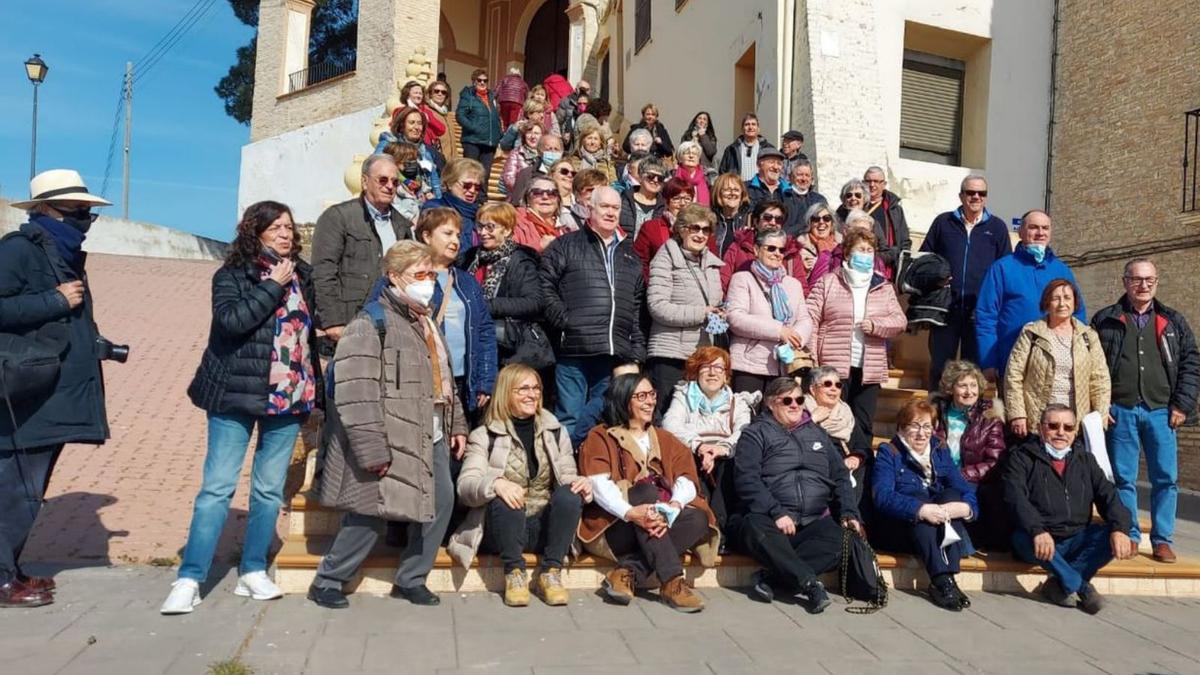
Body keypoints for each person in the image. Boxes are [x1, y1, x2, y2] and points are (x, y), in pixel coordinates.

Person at [161, 201, 323, 614]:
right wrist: (272, 285)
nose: (286, 234)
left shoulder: (303, 276)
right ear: (256, 231)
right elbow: (231, 322)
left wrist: (315, 390)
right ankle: (190, 577)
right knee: (217, 488)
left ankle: (253, 569)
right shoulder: (233, 274)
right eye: (276, 227)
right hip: (236, 394)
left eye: (289, 227)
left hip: (288, 397)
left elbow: (307, 339)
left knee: (269, 490)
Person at [307, 241, 466, 609]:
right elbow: (354, 392)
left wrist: (457, 423)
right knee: (369, 513)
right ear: (394, 277)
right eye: (420, 275)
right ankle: (329, 580)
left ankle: (412, 577)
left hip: (432, 431)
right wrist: (371, 447)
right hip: (389, 433)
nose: (428, 282)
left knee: (441, 500)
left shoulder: (425, 320)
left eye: (431, 274)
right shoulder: (370, 323)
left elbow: (444, 379)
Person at [0, 169, 115, 608]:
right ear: (45, 209)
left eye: (88, 212)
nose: (84, 218)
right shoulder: (19, 251)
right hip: (24, 396)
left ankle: (9, 569)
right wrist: (53, 301)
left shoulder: (59, 253)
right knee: (17, 490)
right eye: (76, 210)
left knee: (26, 490)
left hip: (49, 392)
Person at [448, 364, 591, 607]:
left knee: (570, 495)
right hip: (502, 529)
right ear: (506, 393)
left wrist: (580, 483)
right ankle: (514, 573)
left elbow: (567, 474)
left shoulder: (556, 431)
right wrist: (496, 484)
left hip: (542, 527)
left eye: (536, 388)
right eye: (523, 389)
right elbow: (466, 487)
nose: (532, 394)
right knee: (506, 496)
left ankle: (551, 572)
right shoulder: (484, 435)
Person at [577, 374, 719, 612]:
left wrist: (673, 507)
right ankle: (672, 582)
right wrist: (632, 513)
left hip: (658, 523)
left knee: (698, 518)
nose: (650, 401)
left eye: (652, 394)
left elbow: (687, 477)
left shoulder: (665, 438)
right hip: (616, 526)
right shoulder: (600, 436)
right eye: (641, 396)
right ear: (623, 400)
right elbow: (599, 485)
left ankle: (628, 572)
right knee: (644, 490)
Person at [1093, 258, 1200, 563]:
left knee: (1166, 478)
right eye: (1137, 280)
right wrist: (1101, 405)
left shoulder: (1174, 322)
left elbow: (1191, 364)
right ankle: (1130, 534)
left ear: (1156, 282)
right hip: (1120, 410)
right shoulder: (1106, 320)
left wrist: (1182, 404)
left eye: (1149, 280)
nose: (1143, 286)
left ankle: (1162, 539)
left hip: (1162, 412)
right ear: (1125, 281)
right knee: (1123, 478)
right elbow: (1092, 366)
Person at [730, 377, 862, 612]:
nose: (795, 405)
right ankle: (810, 583)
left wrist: (849, 513)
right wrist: (777, 512)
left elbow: (841, 476)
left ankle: (772, 578)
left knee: (845, 539)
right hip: (771, 519)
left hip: (812, 520)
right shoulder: (755, 433)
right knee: (754, 525)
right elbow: (747, 480)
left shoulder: (817, 434)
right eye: (787, 400)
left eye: (799, 399)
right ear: (771, 403)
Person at [1004, 404, 1135, 614]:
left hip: (1075, 538)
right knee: (1022, 537)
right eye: (1053, 426)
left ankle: (1059, 585)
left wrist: (1120, 528)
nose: (1061, 433)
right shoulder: (1021, 457)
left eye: (1068, 427)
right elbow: (1015, 498)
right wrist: (1037, 529)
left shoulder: (1086, 460)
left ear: (1075, 432)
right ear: (1040, 427)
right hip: (1037, 538)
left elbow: (1109, 496)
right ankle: (1082, 586)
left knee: (1110, 535)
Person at [540, 186, 646, 443]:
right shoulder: (565, 245)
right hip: (575, 349)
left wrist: (636, 349)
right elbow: (544, 287)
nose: (611, 213)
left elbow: (635, 305)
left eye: (616, 208)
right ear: (590, 208)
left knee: (603, 419)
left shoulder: (629, 254)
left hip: (612, 353)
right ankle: (565, 475)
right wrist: (566, 322)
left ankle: (592, 471)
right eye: (605, 207)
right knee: (570, 417)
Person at [806, 228, 907, 456]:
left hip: (868, 368)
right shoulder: (829, 282)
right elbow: (810, 317)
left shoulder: (883, 286)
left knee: (862, 424)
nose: (866, 254)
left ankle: (859, 472)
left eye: (870, 250)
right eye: (861, 249)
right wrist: (812, 354)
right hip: (834, 366)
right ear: (848, 254)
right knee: (833, 421)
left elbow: (899, 321)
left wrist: (876, 325)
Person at [872, 399, 977, 611]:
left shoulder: (939, 449)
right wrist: (920, 510)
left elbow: (964, 488)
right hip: (901, 528)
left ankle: (947, 579)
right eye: (914, 426)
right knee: (918, 501)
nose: (921, 433)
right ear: (901, 427)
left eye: (927, 426)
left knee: (951, 493)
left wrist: (966, 508)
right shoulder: (889, 452)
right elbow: (882, 496)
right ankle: (942, 580)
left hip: (939, 528)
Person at [311, 154, 414, 348]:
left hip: (392, 323)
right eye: (382, 180)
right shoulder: (338, 217)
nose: (390, 186)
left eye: (395, 181)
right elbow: (323, 270)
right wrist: (332, 321)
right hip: (350, 322)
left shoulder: (402, 224)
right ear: (365, 182)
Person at [920, 175, 1012, 387]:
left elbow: (1004, 270)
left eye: (981, 193)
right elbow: (925, 259)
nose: (976, 197)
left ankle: (971, 419)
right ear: (961, 195)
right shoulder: (943, 222)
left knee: (973, 372)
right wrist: (935, 279)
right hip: (945, 310)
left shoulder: (997, 227)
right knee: (940, 370)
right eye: (971, 192)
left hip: (979, 313)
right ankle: (937, 416)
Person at [976, 209, 1086, 379]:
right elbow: (986, 318)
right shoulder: (1002, 268)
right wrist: (989, 362)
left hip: (1055, 365)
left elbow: (1078, 315)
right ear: (1021, 232)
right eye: (1033, 227)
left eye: (1045, 228)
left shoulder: (1062, 270)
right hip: (1013, 364)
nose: (1040, 233)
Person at [415, 208, 499, 423]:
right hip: (425, 381)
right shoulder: (408, 277)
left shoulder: (467, 281)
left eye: (458, 235)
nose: (456, 241)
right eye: (447, 233)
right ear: (426, 235)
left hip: (464, 381)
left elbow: (484, 332)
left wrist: (485, 381)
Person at [662, 347, 758, 530]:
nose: (713, 372)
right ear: (696, 371)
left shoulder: (738, 401)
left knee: (728, 465)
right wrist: (700, 446)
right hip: (692, 453)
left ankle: (718, 528)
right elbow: (670, 424)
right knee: (693, 466)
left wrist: (722, 449)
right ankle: (703, 528)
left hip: (726, 456)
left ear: (726, 375)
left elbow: (744, 432)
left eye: (719, 368)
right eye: (706, 367)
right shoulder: (682, 395)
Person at [645, 205, 726, 415]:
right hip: (670, 354)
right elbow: (657, 306)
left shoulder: (712, 263)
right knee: (666, 416)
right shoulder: (666, 258)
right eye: (694, 228)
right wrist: (702, 313)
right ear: (681, 229)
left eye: (706, 230)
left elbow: (714, 302)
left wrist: (719, 313)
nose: (700, 234)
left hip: (701, 355)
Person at [1004, 278, 1109, 439]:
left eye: (1067, 298)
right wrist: (1017, 414)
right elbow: (1013, 375)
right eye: (1056, 298)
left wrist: (1101, 416)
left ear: (1075, 303)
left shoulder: (1088, 336)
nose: (1062, 303)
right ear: (1047, 303)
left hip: (1075, 423)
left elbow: (1100, 380)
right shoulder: (1031, 333)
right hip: (1038, 419)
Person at [459, 202, 551, 370]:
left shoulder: (521, 260)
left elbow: (534, 302)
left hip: (509, 346)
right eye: (480, 226)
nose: (483, 233)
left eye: (490, 227)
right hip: (474, 342)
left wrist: (487, 305)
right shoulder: (469, 258)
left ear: (507, 230)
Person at [931, 360, 1009, 550]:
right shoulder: (935, 412)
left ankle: (965, 545)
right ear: (950, 388)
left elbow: (995, 460)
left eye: (973, 386)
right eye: (962, 385)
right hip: (938, 477)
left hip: (973, 481)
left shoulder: (990, 415)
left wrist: (963, 475)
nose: (969, 392)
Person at [726, 228, 812, 394]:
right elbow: (735, 318)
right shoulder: (742, 279)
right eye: (771, 248)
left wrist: (795, 338)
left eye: (781, 249)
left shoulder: (793, 284)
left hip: (784, 364)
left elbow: (804, 319)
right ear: (757, 250)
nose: (777, 253)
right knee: (747, 418)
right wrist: (779, 331)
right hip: (749, 364)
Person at [803, 365, 865, 501]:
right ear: (813, 389)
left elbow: (862, 445)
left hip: (845, 463)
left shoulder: (846, 414)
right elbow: (792, 439)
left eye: (838, 385)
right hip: (814, 463)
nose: (834, 389)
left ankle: (851, 517)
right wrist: (812, 420)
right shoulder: (801, 411)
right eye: (827, 384)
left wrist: (856, 457)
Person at [720, 200, 802, 290]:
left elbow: (801, 288)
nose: (773, 223)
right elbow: (724, 283)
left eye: (778, 219)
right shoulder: (738, 247)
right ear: (755, 221)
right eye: (767, 218)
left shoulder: (790, 251)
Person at [632, 177, 697, 278]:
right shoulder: (651, 227)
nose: (683, 203)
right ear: (666, 201)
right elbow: (639, 262)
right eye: (676, 199)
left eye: (687, 199)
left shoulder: (701, 228)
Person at [375, 106, 444, 198]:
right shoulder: (388, 144)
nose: (416, 127)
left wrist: (438, 200)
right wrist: (403, 182)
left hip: (420, 197)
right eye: (412, 123)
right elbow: (377, 167)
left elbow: (434, 179)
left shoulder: (425, 151)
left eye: (419, 123)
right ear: (402, 126)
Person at [423, 157, 486, 253]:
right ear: (450, 183)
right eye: (467, 186)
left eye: (477, 187)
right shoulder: (435, 208)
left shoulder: (479, 215)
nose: (473, 191)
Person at [860, 166, 910, 279]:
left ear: (884, 184)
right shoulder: (854, 203)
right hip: (859, 263)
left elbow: (904, 241)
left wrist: (899, 263)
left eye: (876, 181)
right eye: (868, 181)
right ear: (863, 183)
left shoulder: (894, 209)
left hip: (888, 267)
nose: (872, 185)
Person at [455, 68, 502, 187]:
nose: (482, 83)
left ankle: (482, 199)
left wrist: (499, 134)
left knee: (485, 174)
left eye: (485, 81)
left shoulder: (492, 97)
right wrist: (474, 128)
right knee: (470, 172)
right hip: (472, 141)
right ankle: (467, 198)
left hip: (489, 142)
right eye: (479, 80)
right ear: (474, 81)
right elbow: (460, 115)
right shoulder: (468, 95)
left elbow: (495, 116)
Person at [745, 148, 801, 236]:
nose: (775, 167)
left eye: (779, 164)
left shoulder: (790, 193)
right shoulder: (746, 188)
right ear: (759, 165)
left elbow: (798, 222)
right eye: (771, 162)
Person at [380, 141, 434, 222]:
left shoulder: (420, 181)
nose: (412, 164)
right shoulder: (390, 186)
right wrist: (412, 218)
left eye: (414, 160)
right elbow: (391, 210)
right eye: (408, 161)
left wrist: (431, 200)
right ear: (394, 162)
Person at [514, 175, 569, 253]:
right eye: (537, 192)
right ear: (527, 199)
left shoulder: (566, 228)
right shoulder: (514, 222)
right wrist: (539, 246)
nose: (545, 197)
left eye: (552, 193)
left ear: (558, 200)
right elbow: (503, 256)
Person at [508, 133, 565, 206]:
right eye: (549, 149)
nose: (553, 152)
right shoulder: (526, 174)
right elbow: (517, 202)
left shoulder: (568, 175)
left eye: (556, 149)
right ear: (540, 151)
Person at [619, 156, 667, 238]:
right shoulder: (622, 200)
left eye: (660, 178)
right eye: (651, 176)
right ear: (640, 177)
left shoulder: (665, 207)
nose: (655, 180)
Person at [718, 113, 775, 180]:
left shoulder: (768, 149)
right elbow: (723, 173)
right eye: (747, 124)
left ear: (758, 129)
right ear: (742, 129)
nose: (750, 127)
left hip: (761, 189)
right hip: (738, 188)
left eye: (753, 124)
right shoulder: (731, 150)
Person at [796, 202, 841, 286]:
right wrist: (804, 271)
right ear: (810, 223)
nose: (821, 222)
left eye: (826, 218)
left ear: (832, 223)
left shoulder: (842, 245)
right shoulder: (799, 248)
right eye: (816, 219)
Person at [711, 173, 752, 257]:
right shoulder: (711, 221)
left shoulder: (750, 220)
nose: (732, 193)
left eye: (736, 190)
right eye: (727, 190)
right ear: (718, 193)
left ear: (742, 194)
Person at [500, 121, 543, 196]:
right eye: (529, 133)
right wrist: (529, 191)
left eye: (536, 133)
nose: (533, 136)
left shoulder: (545, 155)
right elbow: (509, 179)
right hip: (520, 197)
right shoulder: (516, 153)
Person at [572, 117, 618, 184]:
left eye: (596, 139)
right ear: (583, 141)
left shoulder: (607, 163)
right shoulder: (573, 160)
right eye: (589, 138)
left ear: (600, 144)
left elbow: (614, 184)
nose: (592, 142)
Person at [425, 80, 458, 159]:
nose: (440, 94)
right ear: (430, 94)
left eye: (443, 92)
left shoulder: (446, 114)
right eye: (436, 91)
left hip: (450, 159)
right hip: (436, 157)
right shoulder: (427, 111)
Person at [674, 141, 711, 206]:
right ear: (680, 157)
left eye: (695, 154)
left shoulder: (708, 177)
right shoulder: (673, 176)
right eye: (687, 153)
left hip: (702, 214)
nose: (691, 156)